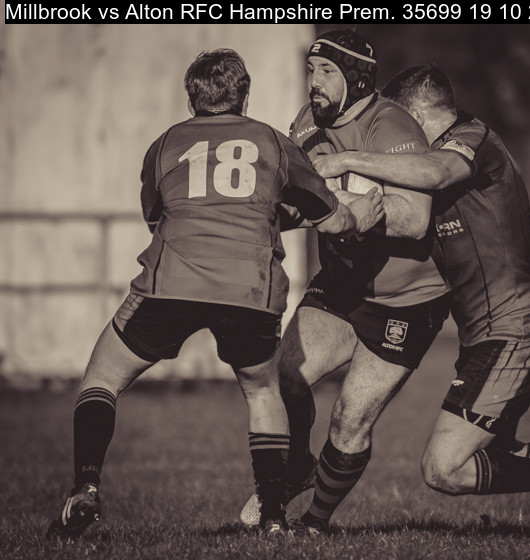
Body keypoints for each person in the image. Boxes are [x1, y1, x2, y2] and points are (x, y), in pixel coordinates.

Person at [45, 48, 384, 539]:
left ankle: (86, 488)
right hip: (247, 287)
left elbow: (156, 216)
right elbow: (330, 218)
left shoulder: (163, 145)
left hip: (171, 283)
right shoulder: (272, 141)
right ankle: (273, 518)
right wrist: (358, 217)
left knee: (101, 379)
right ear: (244, 95)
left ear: (191, 99)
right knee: (262, 391)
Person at [312, 63, 530, 536]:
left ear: (418, 116)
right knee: (490, 451)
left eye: (400, 124)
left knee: (444, 468)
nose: (397, 137)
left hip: (518, 333)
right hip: (485, 339)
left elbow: (435, 172)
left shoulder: (473, 139)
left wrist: (346, 160)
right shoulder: (428, 162)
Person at [239, 31, 451, 533]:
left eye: (327, 72)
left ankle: (316, 524)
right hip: (340, 286)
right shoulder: (305, 124)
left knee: (349, 420)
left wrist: (343, 209)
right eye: (311, 70)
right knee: (283, 379)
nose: (314, 82)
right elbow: (298, 205)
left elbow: (415, 218)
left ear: (356, 79)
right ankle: (297, 467)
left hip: (405, 299)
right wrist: (257, 216)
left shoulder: (391, 124)